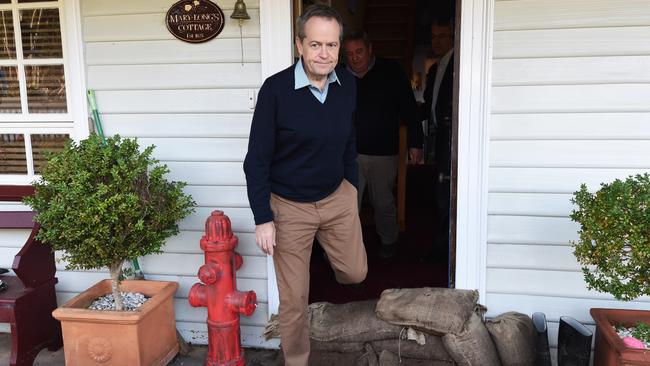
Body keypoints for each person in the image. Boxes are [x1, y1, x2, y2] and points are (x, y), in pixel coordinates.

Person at [243, 5, 367, 366]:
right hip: (289, 206)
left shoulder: (348, 88)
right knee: (294, 299)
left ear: (339, 47)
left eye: (331, 45)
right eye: (315, 45)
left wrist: (352, 189)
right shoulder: (276, 91)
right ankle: (297, 359)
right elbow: (256, 160)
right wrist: (263, 217)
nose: (324, 53)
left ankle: (324, 245)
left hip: (335, 196)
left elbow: (348, 142)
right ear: (300, 45)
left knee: (355, 272)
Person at [343, 31, 423, 258]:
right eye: (349, 54)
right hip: (349, 154)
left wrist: (416, 142)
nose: (355, 58)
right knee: (348, 207)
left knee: (383, 203)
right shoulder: (338, 75)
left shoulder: (391, 71)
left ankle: (389, 242)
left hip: (383, 152)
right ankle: (347, 251)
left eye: (359, 52)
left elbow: (409, 107)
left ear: (370, 49)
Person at [420, 18, 454, 263]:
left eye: (442, 35)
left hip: (454, 137)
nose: (437, 41)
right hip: (440, 136)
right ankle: (442, 247)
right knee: (441, 191)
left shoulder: (459, 63)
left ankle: (444, 250)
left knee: (447, 194)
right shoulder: (435, 67)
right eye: (433, 36)